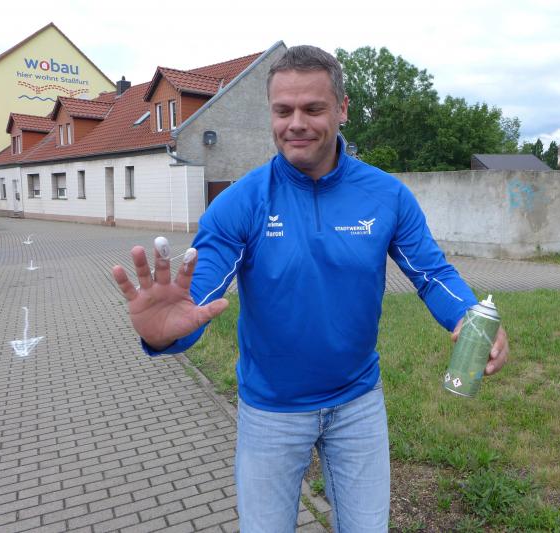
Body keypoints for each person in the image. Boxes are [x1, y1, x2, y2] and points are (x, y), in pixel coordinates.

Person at [112, 45, 509, 533]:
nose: (295, 123)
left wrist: (469, 315)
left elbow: (432, 273)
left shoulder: (386, 195)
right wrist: (167, 334)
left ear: (342, 109)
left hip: (358, 402)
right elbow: (197, 296)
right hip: (271, 411)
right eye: (283, 111)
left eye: (313, 109)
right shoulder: (241, 203)